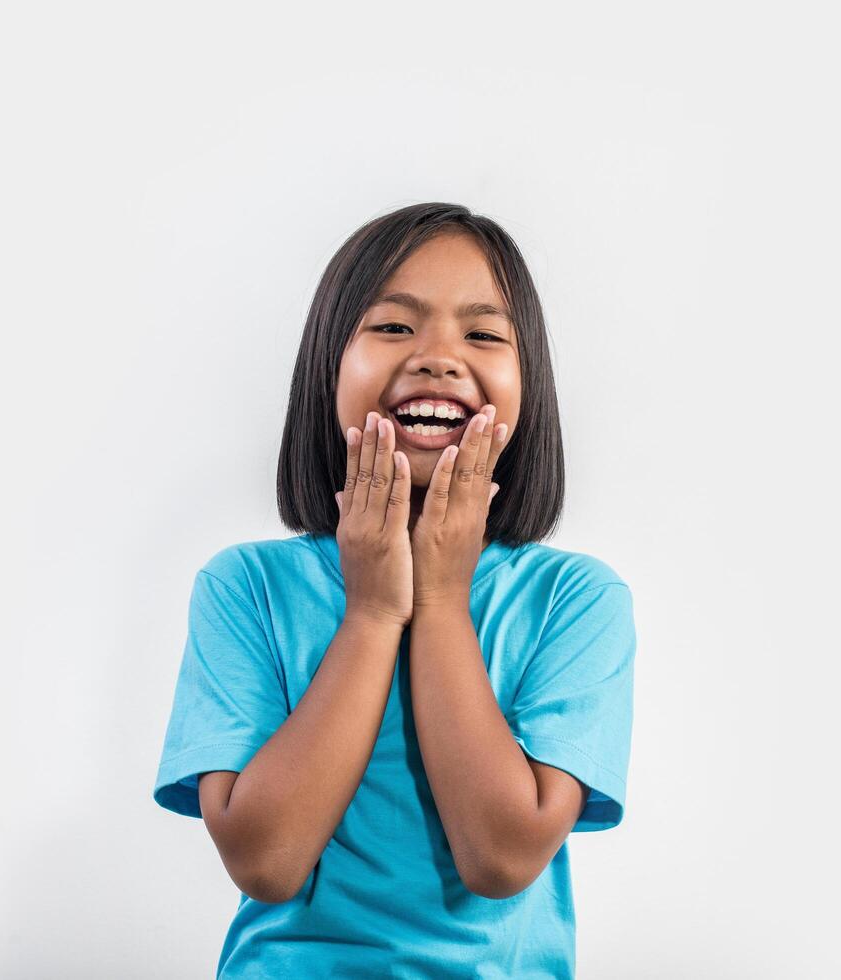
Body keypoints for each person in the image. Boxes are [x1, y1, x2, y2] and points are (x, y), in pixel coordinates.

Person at [153, 202, 638, 978]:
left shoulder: (574, 599)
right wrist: (374, 611)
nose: (438, 358)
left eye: (481, 334)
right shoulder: (247, 586)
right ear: (327, 367)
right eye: (391, 327)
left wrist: (441, 598)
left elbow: (503, 858)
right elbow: (265, 861)